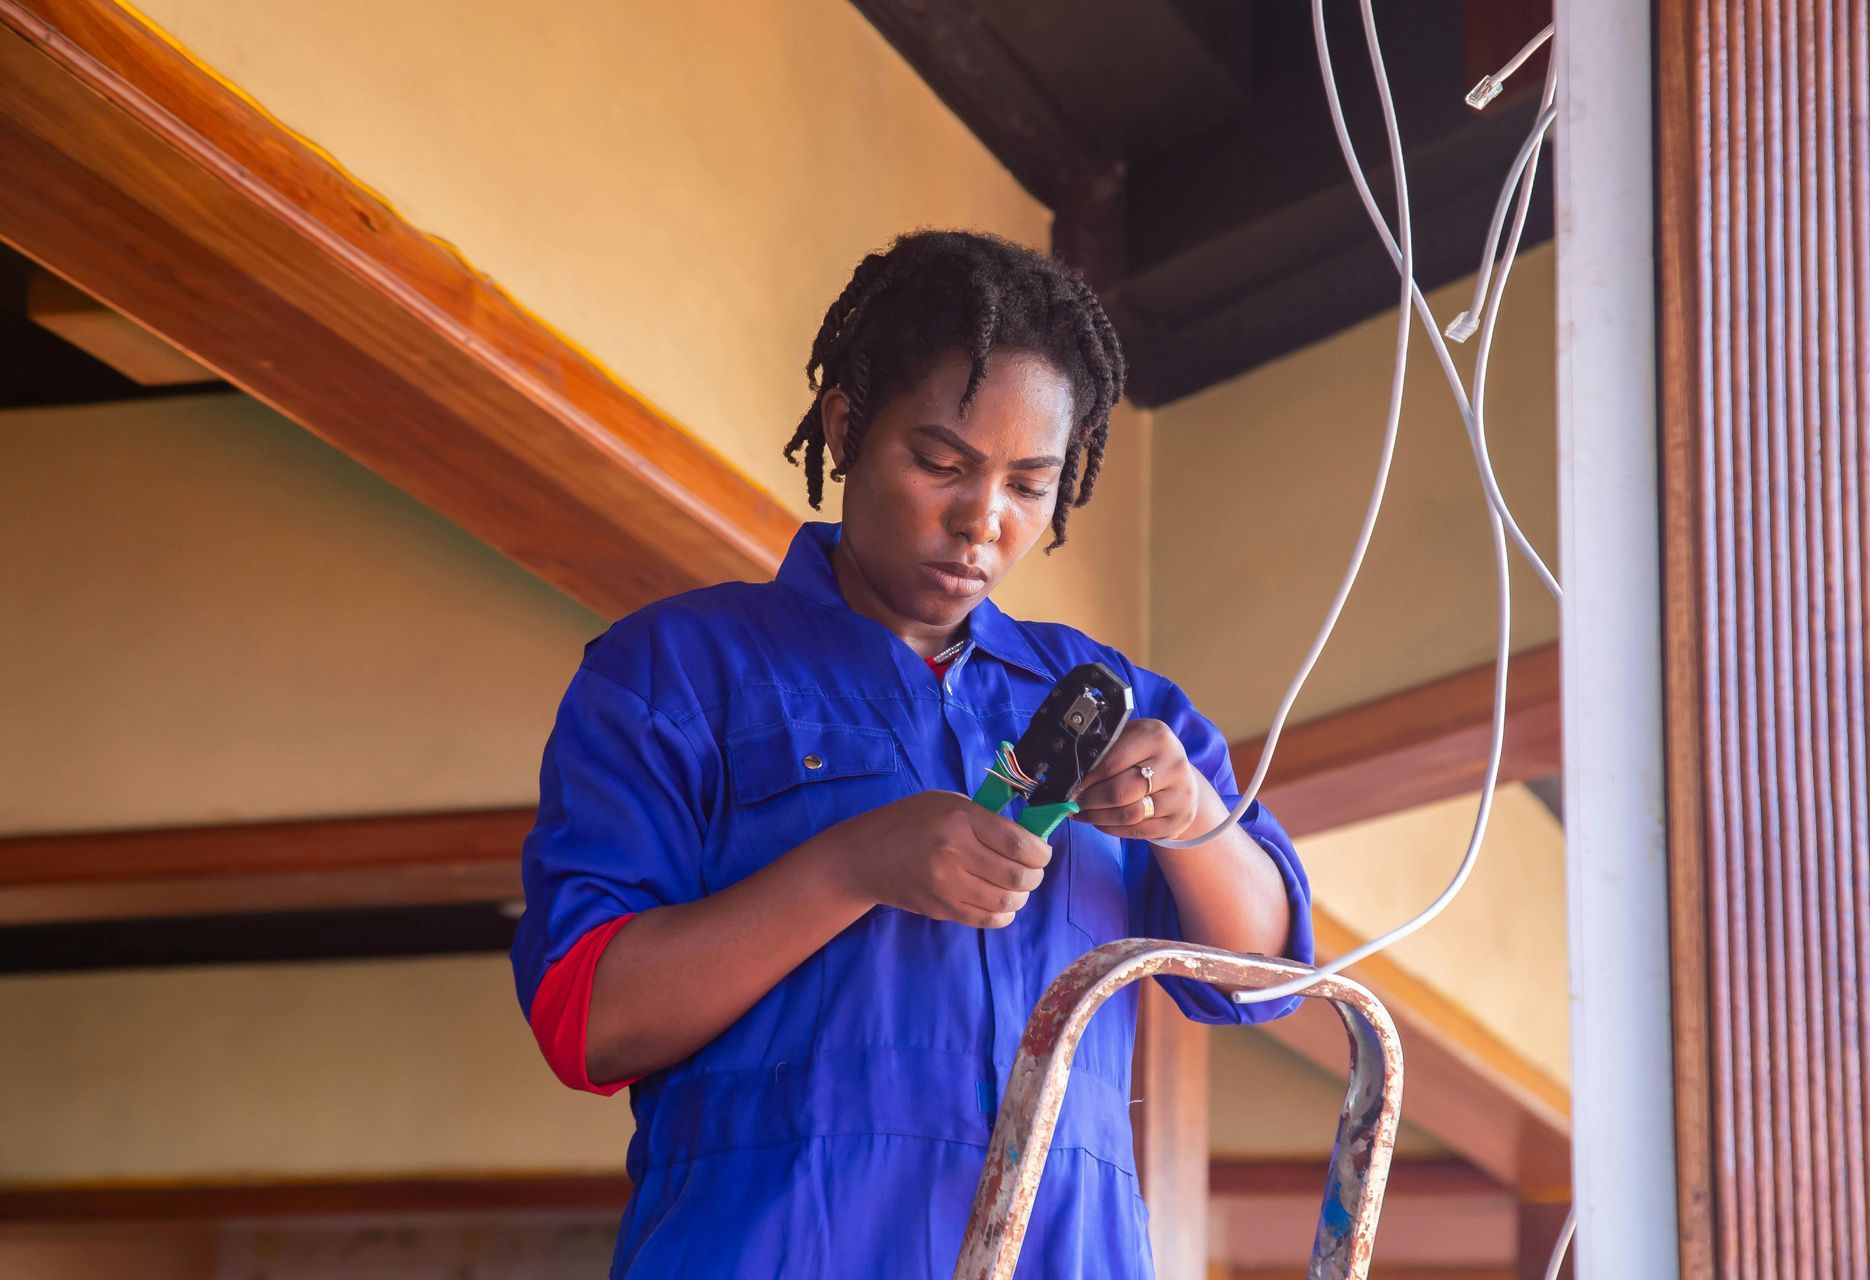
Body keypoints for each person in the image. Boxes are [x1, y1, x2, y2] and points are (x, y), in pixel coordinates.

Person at [511, 229, 1313, 1277]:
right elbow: (589, 1019)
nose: (982, 520)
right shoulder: (674, 671)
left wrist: (1196, 819)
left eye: (1031, 485)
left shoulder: (1113, 702)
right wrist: (852, 864)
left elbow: (1266, 979)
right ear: (845, 427)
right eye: (941, 463)